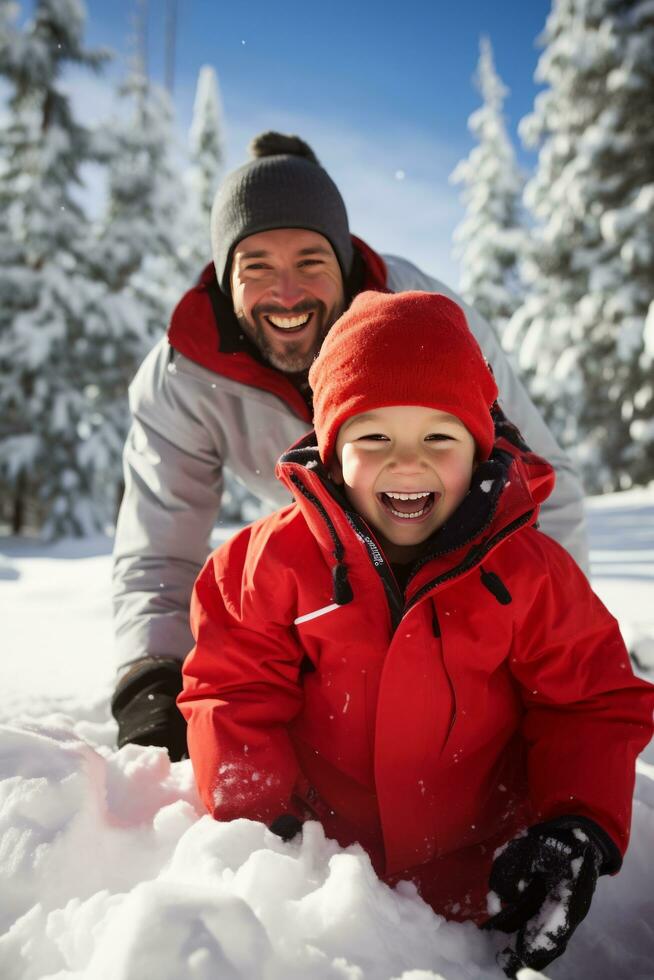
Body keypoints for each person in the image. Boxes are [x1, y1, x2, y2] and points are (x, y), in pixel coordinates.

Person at [178, 290, 654, 977]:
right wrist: (263, 829)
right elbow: (231, 690)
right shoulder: (266, 565)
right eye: (374, 438)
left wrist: (575, 823)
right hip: (324, 880)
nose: (407, 462)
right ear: (334, 448)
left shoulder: (531, 573)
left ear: (480, 445)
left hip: (490, 875)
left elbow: (590, 701)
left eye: (439, 436)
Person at [111, 131, 590, 762]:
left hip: (440, 534)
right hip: (322, 546)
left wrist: (557, 649)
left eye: (310, 261)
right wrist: (151, 676)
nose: (286, 293)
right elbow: (160, 549)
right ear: (225, 278)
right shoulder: (184, 376)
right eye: (256, 266)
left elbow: (533, 483)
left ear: (344, 261)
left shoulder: (430, 326)